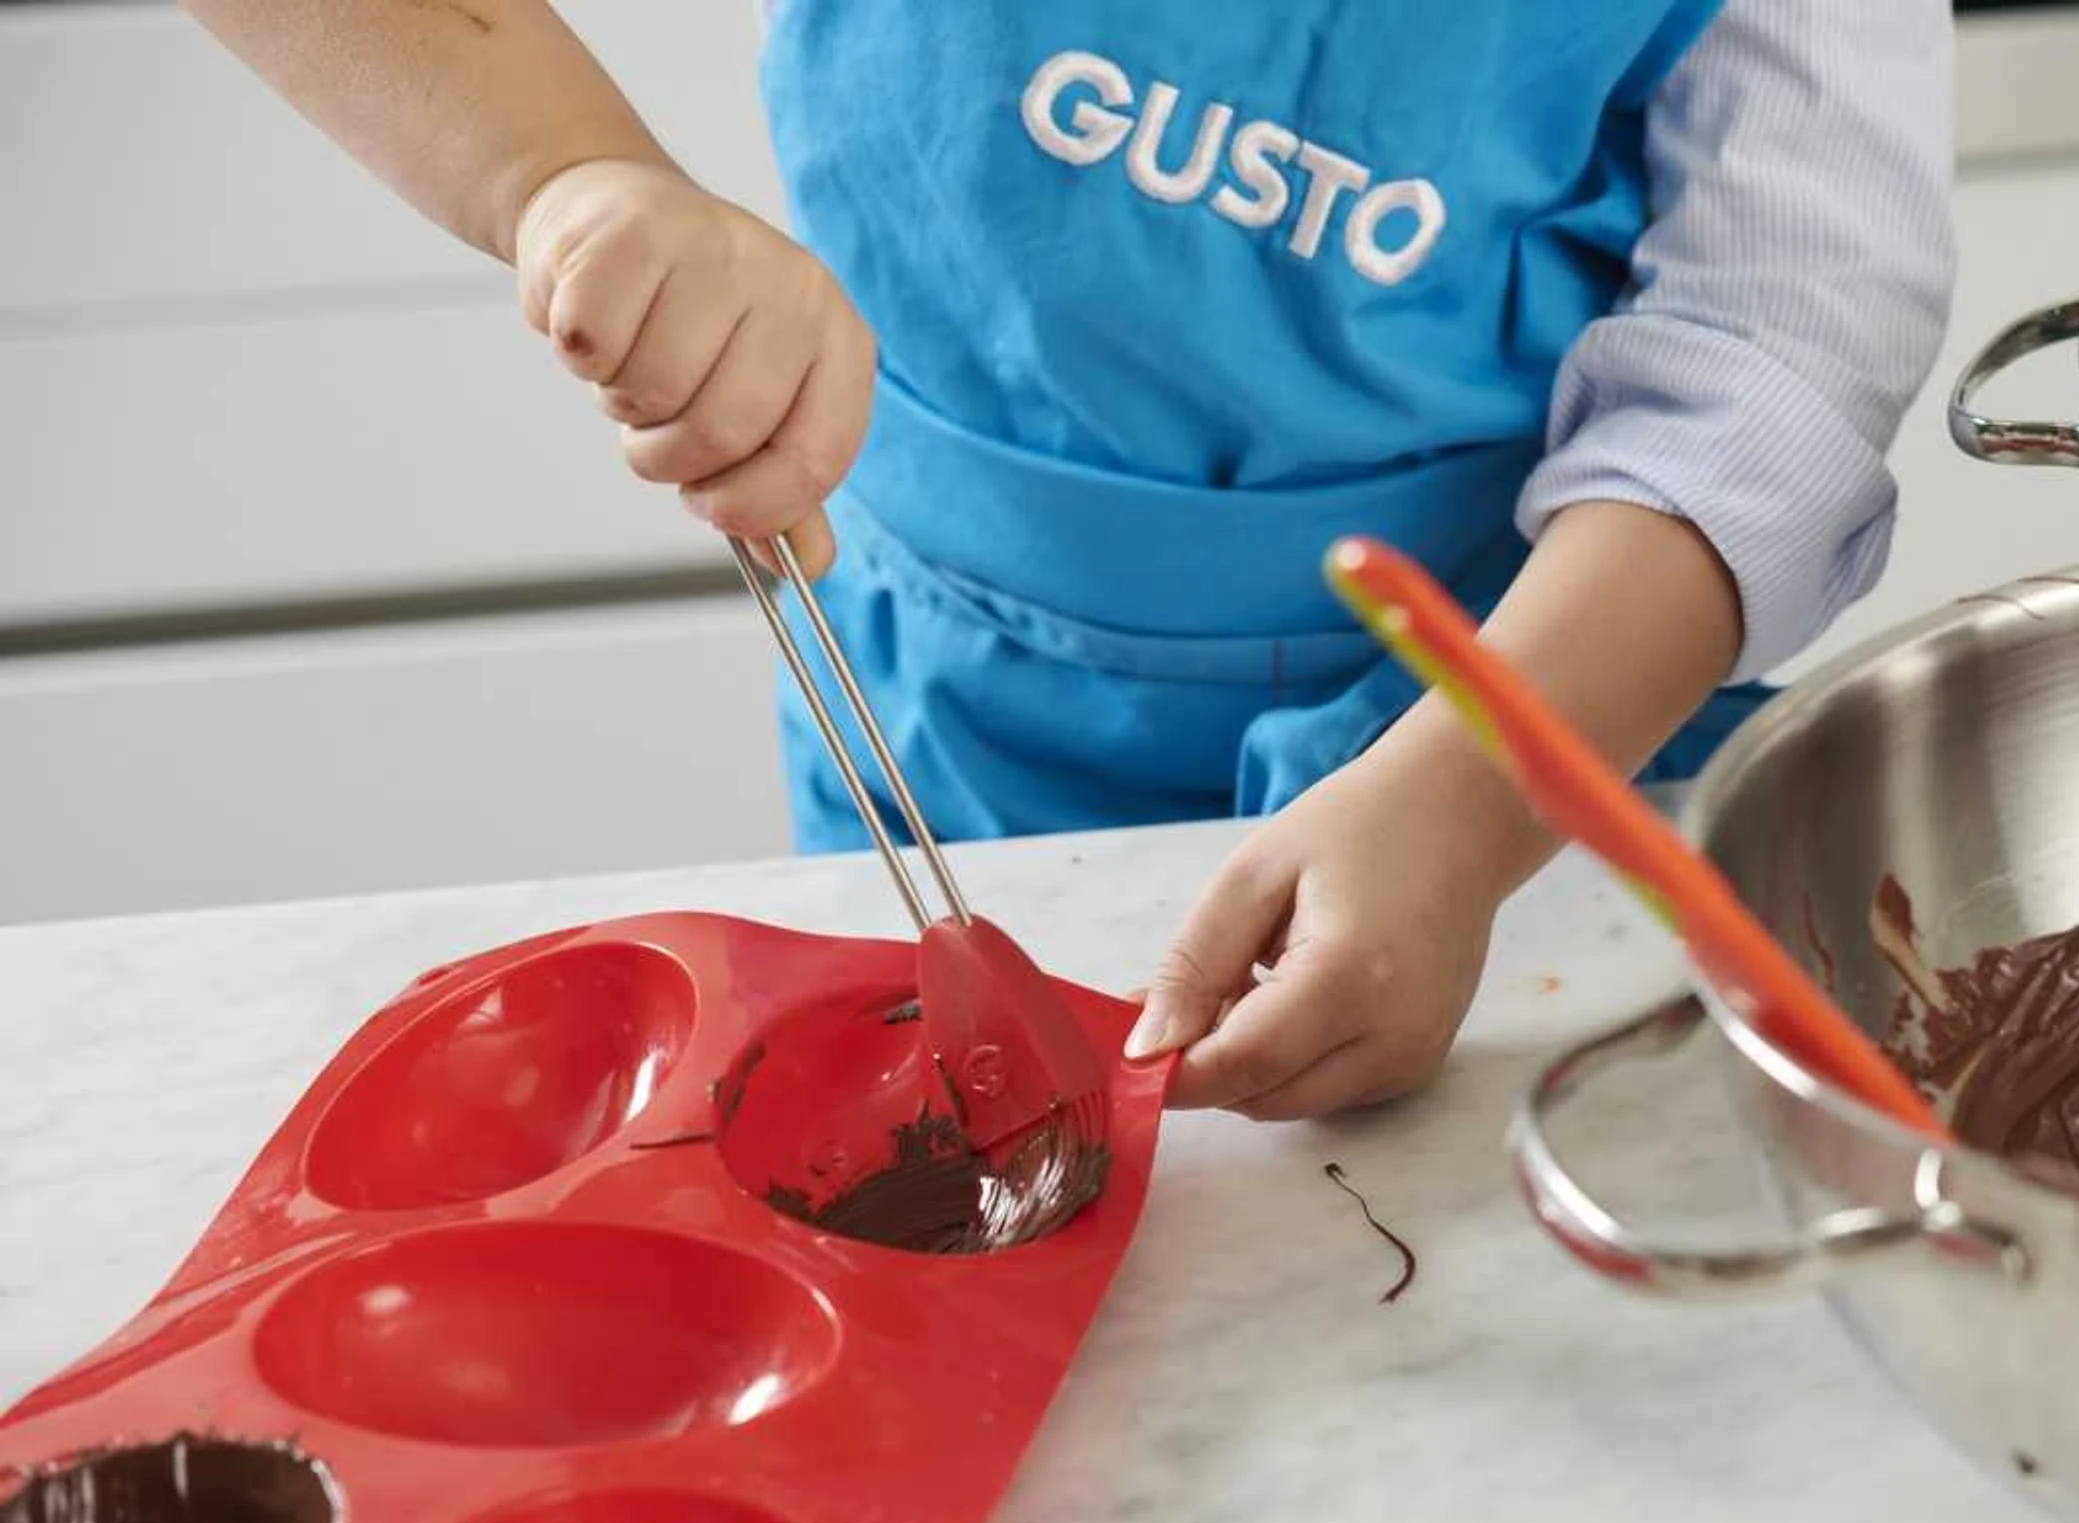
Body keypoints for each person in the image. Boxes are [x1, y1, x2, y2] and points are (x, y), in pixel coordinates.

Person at [185, 0, 1954, 1119]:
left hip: (1531, 715)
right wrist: (562, 175)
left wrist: (1472, 795)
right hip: (940, 718)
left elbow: (1774, 365)